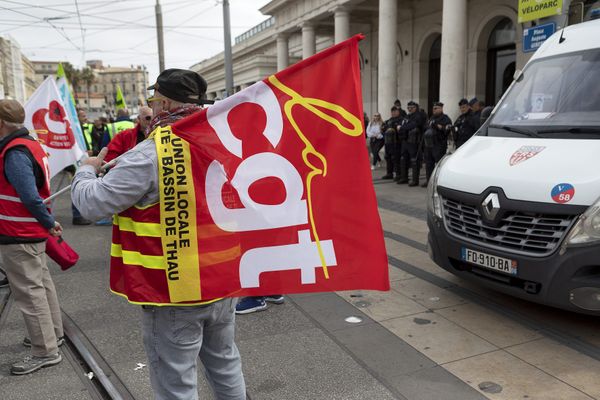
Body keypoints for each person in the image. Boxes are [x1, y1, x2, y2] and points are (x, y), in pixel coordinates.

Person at [71, 69, 246, 400]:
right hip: (223, 279)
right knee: (225, 363)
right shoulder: (225, 142)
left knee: (175, 381)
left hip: (176, 289)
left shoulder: (151, 153)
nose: (151, 106)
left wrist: (86, 168)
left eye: (153, 100)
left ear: (164, 103)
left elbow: (91, 204)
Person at [0, 99, 64, 375]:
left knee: (29, 292)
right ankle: (53, 334)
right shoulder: (31, 145)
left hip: (19, 233)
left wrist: (49, 222)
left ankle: (44, 350)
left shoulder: (14, 152)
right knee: (41, 285)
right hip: (28, 232)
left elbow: (28, 195)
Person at [422, 102, 452, 187]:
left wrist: (438, 126)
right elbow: (425, 127)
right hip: (429, 145)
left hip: (439, 144)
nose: (434, 110)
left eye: (436, 108)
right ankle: (429, 181)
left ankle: (439, 182)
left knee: (439, 164)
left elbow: (447, 129)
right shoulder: (431, 118)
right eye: (433, 108)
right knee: (429, 164)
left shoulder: (445, 118)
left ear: (441, 108)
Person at [398, 101, 426, 186]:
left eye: (411, 108)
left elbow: (413, 125)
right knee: (403, 159)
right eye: (408, 108)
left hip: (414, 142)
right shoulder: (408, 116)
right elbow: (403, 123)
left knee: (414, 161)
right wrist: (402, 127)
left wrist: (402, 127)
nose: (409, 109)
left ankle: (415, 180)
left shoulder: (419, 115)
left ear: (415, 107)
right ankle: (404, 177)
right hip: (406, 140)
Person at [380, 106, 404, 180]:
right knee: (388, 158)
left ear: (398, 112)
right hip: (388, 143)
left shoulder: (401, 120)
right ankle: (389, 173)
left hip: (396, 142)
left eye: (395, 111)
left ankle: (398, 174)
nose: (393, 113)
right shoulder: (389, 120)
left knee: (396, 159)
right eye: (392, 111)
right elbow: (383, 128)